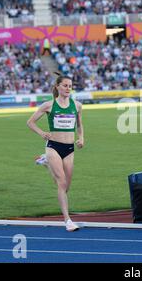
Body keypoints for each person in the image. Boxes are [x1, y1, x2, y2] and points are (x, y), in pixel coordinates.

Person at [27, 75, 84, 232]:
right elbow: (30, 122)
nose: (68, 88)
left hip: (69, 148)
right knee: (61, 183)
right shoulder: (49, 105)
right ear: (58, 87)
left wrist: (81, 138)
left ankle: (46, 163)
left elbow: (79, 125)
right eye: (65, 85)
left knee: (67, 186)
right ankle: (67, 220)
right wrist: (42, 133)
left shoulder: (77, 105)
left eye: (70, 86)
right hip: (53, 146)